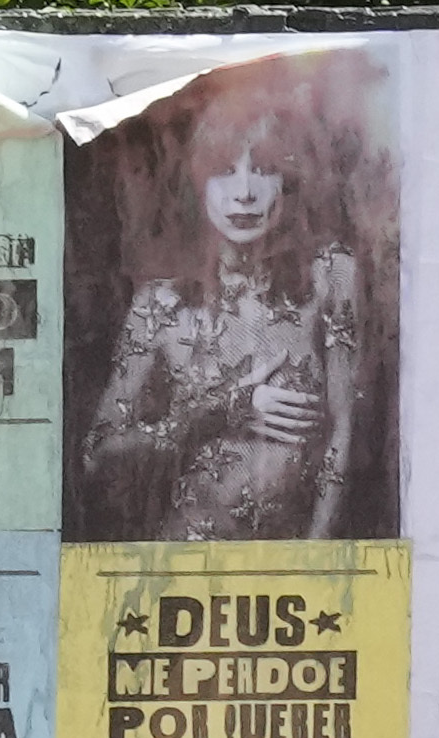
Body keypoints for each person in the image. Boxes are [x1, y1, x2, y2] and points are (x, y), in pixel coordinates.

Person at [72, 67, 368, 545]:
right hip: (183, 562)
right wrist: (222, 411)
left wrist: (315, 558)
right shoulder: (160, 304)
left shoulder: (332, 275)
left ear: (288, 181)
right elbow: (98, 456)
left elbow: (345, 440)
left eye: (265, 169)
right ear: (199, 183)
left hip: (296, 569)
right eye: (224, 171)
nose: (245, 192)